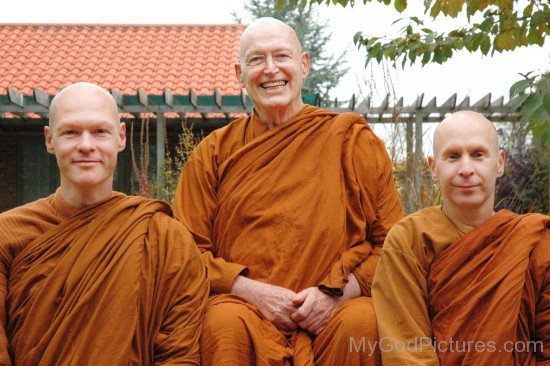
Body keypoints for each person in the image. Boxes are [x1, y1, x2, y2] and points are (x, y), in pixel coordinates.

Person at [172, 17, 404, 365]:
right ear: (239, 73)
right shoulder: (214, 154)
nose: (270, 69)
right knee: (221, 322)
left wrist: (340, 295)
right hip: (245, 311)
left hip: (335, 312)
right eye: (256, 60)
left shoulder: (351, 143)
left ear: (303, 64)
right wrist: (249, 290)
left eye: (281, 56)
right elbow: (186, 252)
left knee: (363, 320)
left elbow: (391, 244)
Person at [0, 82, 209, 365]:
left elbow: (179, 352)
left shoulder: (163, 236)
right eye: (71, 132)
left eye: (100, 132)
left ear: (120, 137)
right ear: (49, 140)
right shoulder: (7, 233)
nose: (86, 146)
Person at [372, 110, 549, 365]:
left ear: (499, 163)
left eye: (478, 154)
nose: (466, 169)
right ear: (434, 168)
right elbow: (407, 350)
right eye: (453, 156)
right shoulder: (410, 240)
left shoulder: (533, 242)